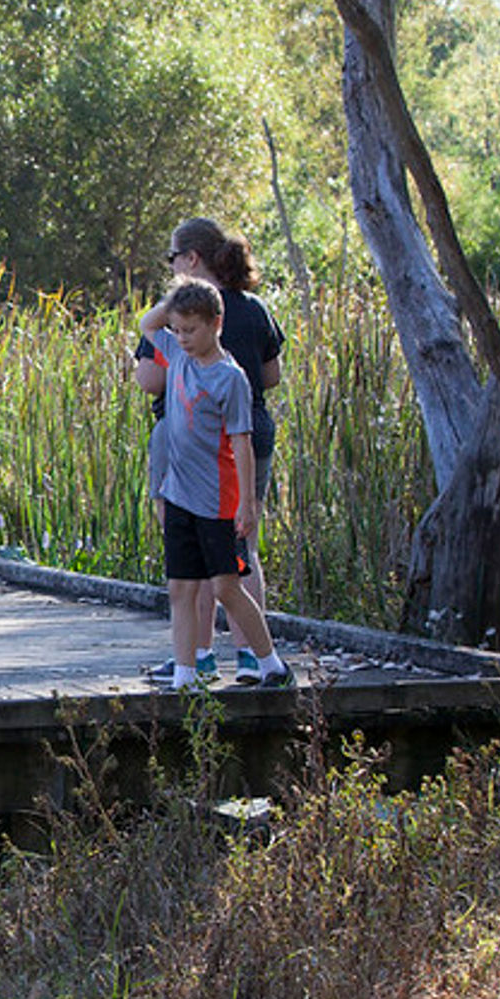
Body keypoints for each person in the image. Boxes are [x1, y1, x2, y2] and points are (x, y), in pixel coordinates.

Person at [134, 217, 286, 684]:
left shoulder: (186, 326)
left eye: (174, 259)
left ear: (191, 259)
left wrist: (172, 302)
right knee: (244, 553)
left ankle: (202, 654)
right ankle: (242, 656)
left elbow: (148, 378)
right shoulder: (255, 309)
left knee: (211, 561)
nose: (172, 266)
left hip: (208, 450)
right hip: (248, 433)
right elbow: (273, 374)